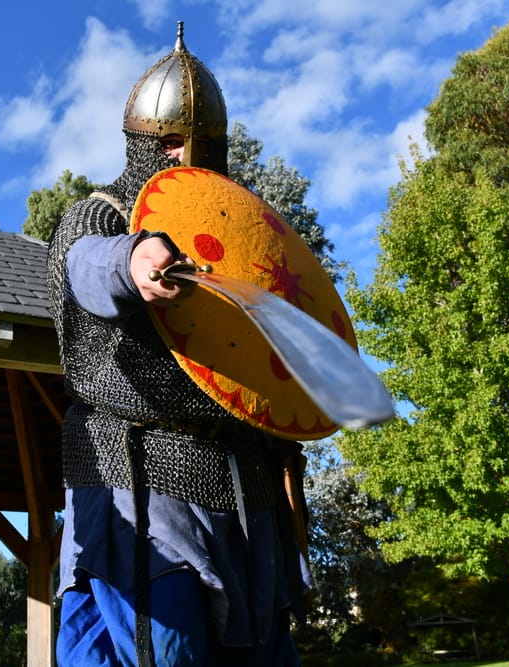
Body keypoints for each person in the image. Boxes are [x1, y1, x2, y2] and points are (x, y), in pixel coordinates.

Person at [47, 23, 311, 666]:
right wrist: (132, 260)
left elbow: (272, 365)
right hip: (137, 480)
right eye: (165, 142)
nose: (183, 157)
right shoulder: (101, 214)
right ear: (138, 141)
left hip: (244, 488)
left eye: (200, 143)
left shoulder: (240, 238)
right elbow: (83, 264)